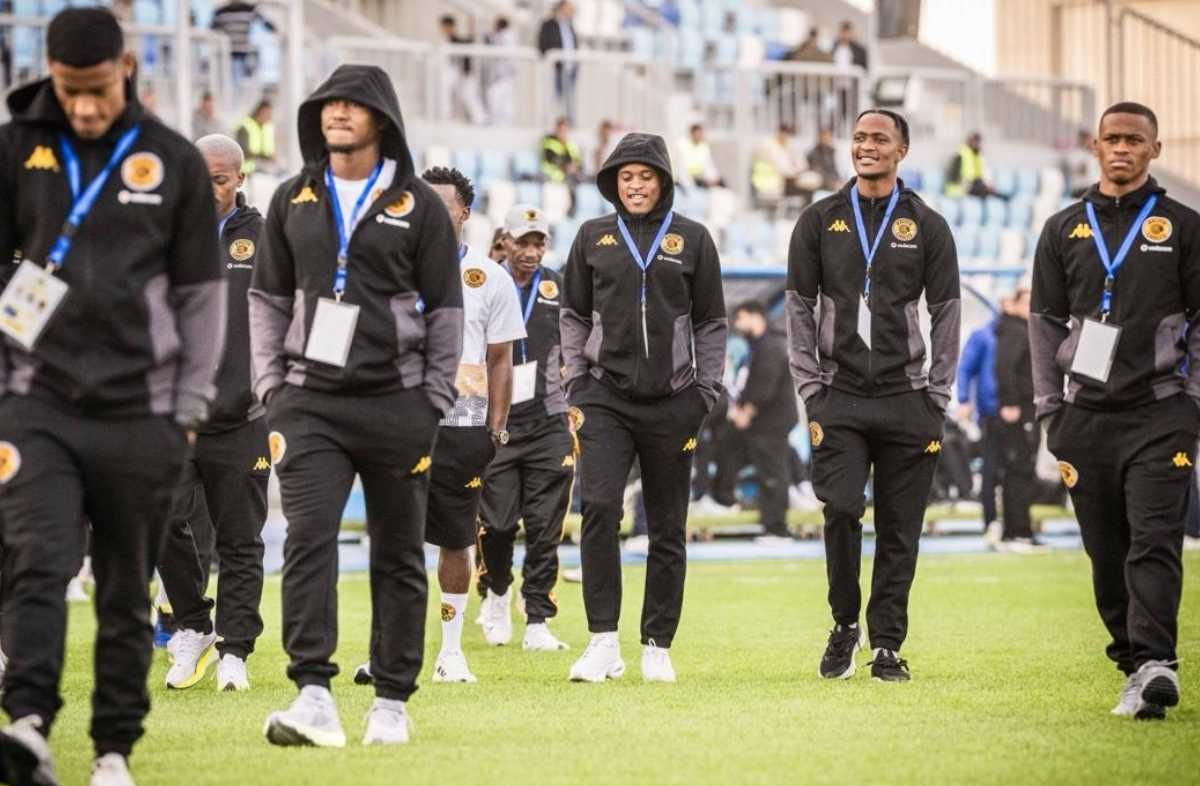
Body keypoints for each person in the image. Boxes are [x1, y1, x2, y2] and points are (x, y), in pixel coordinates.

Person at [0, 8, 225, 784]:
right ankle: (27, 722)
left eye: (97, 89)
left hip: (143, 410)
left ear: (125, 67)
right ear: (50, 74)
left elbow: (201, 298)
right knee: (38, 559)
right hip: (36, 403)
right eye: (70, 90)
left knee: (128, 586)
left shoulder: (170, 159)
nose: (86, 106)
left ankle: (112, 751)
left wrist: (186, 409)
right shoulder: (15, 146)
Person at [250, 64, 462, 747]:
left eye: (351, 105)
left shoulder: (419, 206)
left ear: (383, 119)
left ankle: (391, 704)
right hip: (308, 402)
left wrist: (431, 397)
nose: (336, 114)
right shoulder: (291, 197)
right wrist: (270, 387)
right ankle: (312, 694)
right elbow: (267, 301)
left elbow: (446, 308)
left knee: (397, 551)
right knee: (307, 540)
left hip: (399, 403)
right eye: (327, 105)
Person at [1030, 101, 1200, 721]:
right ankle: (1134, 666)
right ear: (1095, 147)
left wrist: (1193, 400)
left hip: (1161, 414)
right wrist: (1052, 411)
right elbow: (1045, 325)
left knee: (1154, 541)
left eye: (1134, 139)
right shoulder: (1062, 229)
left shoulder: (1183, 226)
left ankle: (1157, 661)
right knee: (1107, 550)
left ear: (1154, 149)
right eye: (1112, 138)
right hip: (1084, 419)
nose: (1122, 147)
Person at [787, 109, 960, 683]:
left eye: (878, 138)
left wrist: (938, 395)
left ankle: (887, 643)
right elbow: (797, 309)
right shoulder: (819, 220)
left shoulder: (928, 226)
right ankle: (844, 624)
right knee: (839, 509)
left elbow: (947, 314)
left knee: (900, 527)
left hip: (908, 398)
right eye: (858, 137)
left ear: (902, 150)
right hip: (837, 397)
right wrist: (811, 387)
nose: (865, 146)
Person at [561, 133, 727, 683]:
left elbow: (710, 323)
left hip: (674, 401)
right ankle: (603, 641)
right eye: (626, 177)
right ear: (614, 183)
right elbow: (574, 316)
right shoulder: (591, 237)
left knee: (667, 525)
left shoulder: (694, 239)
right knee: (601, 510)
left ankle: (658, 644)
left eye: (645, 176)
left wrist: (705, 393)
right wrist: (577, 385)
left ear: (663, 180)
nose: (635, 186)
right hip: (603, 398)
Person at [360, 166, 523, 685]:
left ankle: (451, 652)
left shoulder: (489, 277)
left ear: (464, 213)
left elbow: (501, 358)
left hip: (463, 425)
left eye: (442, 204)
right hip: (396, 423)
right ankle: (386, 651)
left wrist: (496, 428)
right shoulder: (388, 269)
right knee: (394, 539)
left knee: (456, 539)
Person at [155, 134, 270, 693]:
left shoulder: (267, 239)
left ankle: (235, 651)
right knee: (159, 521)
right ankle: (193, 626)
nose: (207, 189)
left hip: (243, 415)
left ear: (240, 180)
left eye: (219, 179)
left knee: (241, 539)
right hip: (173, 414)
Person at [476, 205, 574, 652]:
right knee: (496, 525)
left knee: (544, 525)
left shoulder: (559, 285)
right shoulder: (481, 281)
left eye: (539, 242)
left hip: (549, 417)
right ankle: (496, 590)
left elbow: (582, 336)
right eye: (524, 241)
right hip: (494, 418)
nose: (532, 251)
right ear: (504, 241)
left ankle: (538, 617)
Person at [725, 301, 798, 540]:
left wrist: (746, 411)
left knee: (772, 473)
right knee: (765, 471)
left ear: (754, 316)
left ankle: (777, 529)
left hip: (771, 422)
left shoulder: (771, 345)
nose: (737, 325)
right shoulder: (760, 345)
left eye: (740, 318)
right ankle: (769, 524)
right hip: (764, 422)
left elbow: (764, 386)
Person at [992, 281, 1043, 551]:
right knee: (1019, 469)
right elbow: (1005, 367)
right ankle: (1018, 531)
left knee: (1019, 469)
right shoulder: (1015, 331)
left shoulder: (1017, 330)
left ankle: (1017, 530)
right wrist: (1010, 402)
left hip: (1024, 407)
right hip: (1019, 408)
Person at [956, 312, 1001, 536]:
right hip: (990, 411)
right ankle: (990, 521)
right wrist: (963, 400)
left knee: (1016, 471)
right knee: (990, 469)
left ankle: (1016, 526)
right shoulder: (984, 335)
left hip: (1018, 411)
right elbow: (965, 368)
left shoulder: (1023, 333)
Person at [439, 15, 486, 124]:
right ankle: (448, 116)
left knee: (469, 96)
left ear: (449, 26)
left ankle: (481, 119)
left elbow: (469, 42)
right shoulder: (447, 40)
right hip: (457, 75)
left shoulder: (456, 40)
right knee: (456, 93)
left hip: (464, 74)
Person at [211, 1, 276, 79]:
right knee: (230, 77)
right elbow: (212, 30)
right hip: (226, 52)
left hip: (242, 51)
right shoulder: (220, 11)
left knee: (239, 77)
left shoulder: (249, 9)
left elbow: (267, 24)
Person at [537, 1, 578, 122]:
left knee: (569, 99)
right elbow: (542, 44)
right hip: (556, 68)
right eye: (568, 8)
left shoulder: (570, 25)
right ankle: (551, 122)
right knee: (554, 99)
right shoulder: (549, 24)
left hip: (570, 68)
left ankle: (569, 123)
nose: (571, 11)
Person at [751, 125, 804, 204]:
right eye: (784, 135)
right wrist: (794, 171)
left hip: (788, 179)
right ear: (779, 133)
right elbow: (781, 167)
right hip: (773, 182)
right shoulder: (768, 146)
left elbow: (801, 164)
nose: (786, 138)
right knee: (805, 190)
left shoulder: (789, 146)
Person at [944, 131, 1003, 199]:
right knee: (987, 192)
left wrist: (988, 184)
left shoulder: (979, 155)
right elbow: (954, 175)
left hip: (974, 185)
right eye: (975, 141)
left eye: (978, 141)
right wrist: (962, 184)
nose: (977, 143)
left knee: (989, 191)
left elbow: (984, 173)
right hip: (962, 187)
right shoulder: (961, 154)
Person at [484, 17, 517, 126]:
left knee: (495, 96)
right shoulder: (504, 36)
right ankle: (501, 122)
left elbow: (499, 48)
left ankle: (498, 122)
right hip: (503, 75)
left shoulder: (507, 36)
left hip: (505, 74)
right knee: (503, 100)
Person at [675, 123, 724, 189]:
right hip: (686, 180)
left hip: (700, 178)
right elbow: (681, 167)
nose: (700, 136)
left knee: (722, 184)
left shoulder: (704, 146)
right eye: (698, 133)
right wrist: (688, 183)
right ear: (692, 133)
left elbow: (709, 164)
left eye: (701, 133)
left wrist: (714, 178)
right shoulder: (681, 146)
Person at [235, 98, 275, 175]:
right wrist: (263, 157)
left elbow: (270, 150)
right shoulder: (245, 126)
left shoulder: (268, 127)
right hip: (245, 172)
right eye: (266, 113)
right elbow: (242, 151)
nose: (268, 116)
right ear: (260, 111)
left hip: (264, 171)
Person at [541, 117, 582, 187]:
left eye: (565, 130)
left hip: (570, 179)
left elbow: (579, 162)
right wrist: (567, 166)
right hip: (552, 180)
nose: (563, 133)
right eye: (561, 130)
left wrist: (575, 167)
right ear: (556, 129)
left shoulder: (571, 145)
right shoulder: (549, 143)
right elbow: (553, 159)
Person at [1064, 128, 1100, 199]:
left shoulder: (1092, 156)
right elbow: (1079, 169)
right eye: (1088, 140)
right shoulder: (1076, 155)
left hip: (1092, 189)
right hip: (1081, 189)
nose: (1090, 142)